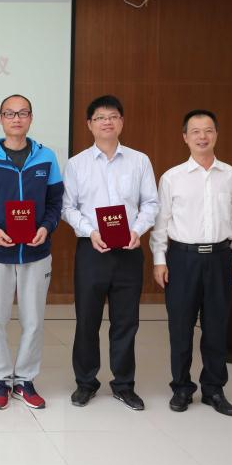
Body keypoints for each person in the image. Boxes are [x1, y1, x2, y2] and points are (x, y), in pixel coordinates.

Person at [0, 94, 63, 410]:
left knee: (33, 321)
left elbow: (55, 202)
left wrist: (46, 227)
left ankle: (24, 380)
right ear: (1, 119)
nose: (16, 118)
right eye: (10, 113)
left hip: (36, 253)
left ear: (31, 118)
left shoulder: (47, 157)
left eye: (22, 113)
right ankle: (0, 379)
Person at [61, 94, 159, 410]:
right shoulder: (76, 164)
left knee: (126, 321)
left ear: (122, 122)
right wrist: (90, 232)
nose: (107, 122)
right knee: (87, 320)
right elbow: (67, 207)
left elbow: (151, 203)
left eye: (113, 116)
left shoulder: (139, 160)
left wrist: (137, 230)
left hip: (129, 249)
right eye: (100, 117)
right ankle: (86, 383)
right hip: (92, 250)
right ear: (89, 124)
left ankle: (124, 384)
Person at [150, 109, 232, 416]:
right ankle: (181, 387)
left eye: (208, 131)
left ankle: (214, 389)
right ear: (185, 137)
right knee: (180, 327)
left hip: (220, 258)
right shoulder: (172, 177)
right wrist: (159, 261)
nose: (202, 137)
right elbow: (161, 224)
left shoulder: (231, 176)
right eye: (195, 131)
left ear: (216, 135)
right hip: (182, 259)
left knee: (216, 326)